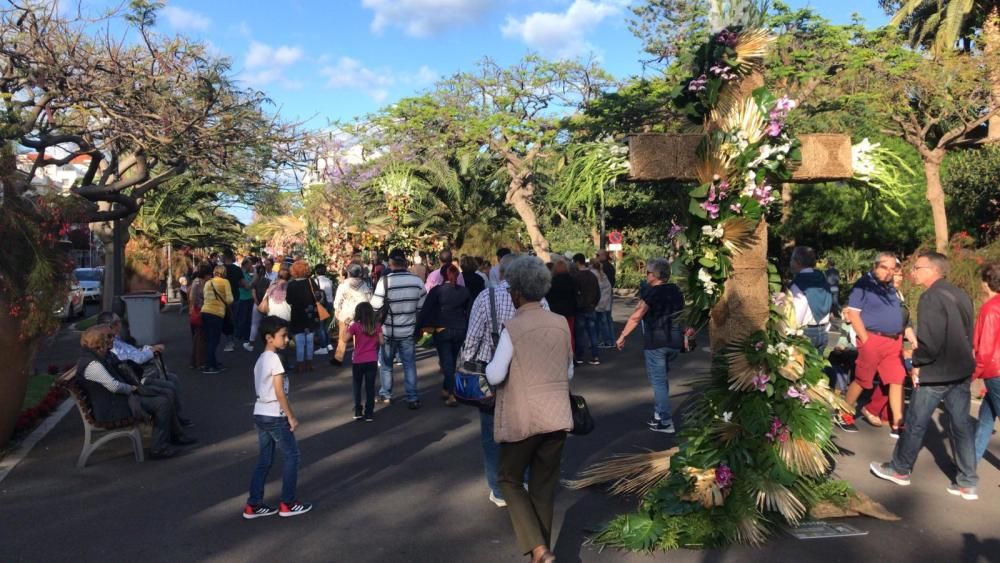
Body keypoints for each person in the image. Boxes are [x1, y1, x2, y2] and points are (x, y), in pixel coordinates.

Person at [485, 255, 573, 563]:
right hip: (558, 416)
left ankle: (539, 550)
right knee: (543, 488)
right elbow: (569, 371)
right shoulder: (561, 323)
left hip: (524, 417)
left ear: (519, 293)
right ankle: (542, 552)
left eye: (511, 291)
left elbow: (495, 374)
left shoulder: (514, 328)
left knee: (509, 478)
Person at [871, 252, 978, 500]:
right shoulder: (961, 294)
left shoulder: (930, 297)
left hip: (936, 372)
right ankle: (967, 482)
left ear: (932, 270)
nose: (913, 272)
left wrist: (917, 362)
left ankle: (900, 469)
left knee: (917, 422)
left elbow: (930, 339)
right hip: (961, 369)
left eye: (917, 268)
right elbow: (967, 332)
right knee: (961, 426)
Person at [77, 326, 193, 459]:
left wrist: (134, 385)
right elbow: (114, 386)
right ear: (97, 344)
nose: (110, 342)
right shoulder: (93, 364)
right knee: (162, 402)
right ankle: (159, 448)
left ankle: (174, 436)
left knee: (165, 395)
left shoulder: (100, 357)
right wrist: (132, 388)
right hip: (112, 408)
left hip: (118, 400)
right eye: (106, 340)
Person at [243, 316, 312, 519]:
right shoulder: (274, 360)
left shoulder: (261, 360)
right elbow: (279, 392)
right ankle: (288, 502)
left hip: (260, 412)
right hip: (275, 414)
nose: (286, 339)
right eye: (282, 335)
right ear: (269, 338)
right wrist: (291, 416)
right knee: (292, 455)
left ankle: (253, 504)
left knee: (265, 460)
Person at [616, 258, 688, 433]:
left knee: (658, 383)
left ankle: (665, 421)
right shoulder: (676, 290)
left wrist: (623, 335)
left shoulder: (652, 293)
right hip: (674, 340)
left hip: (656, 341)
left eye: (647, 272)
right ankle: (659, 415)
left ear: (655, 275)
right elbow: (682, 314)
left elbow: (637, 316)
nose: (645, 275)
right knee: (662, 381)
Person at [837, 252, 906, 434]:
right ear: (875, 266)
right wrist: (866, 341)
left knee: (897, 379)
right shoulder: (864, 285)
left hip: (893, 341)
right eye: (885, 267)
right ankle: (842, 412)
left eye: (893, 268)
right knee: (863, 380)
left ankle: (898, 424)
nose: (889, 272)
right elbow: (853, 313)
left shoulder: (890, 287)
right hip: (872, 339)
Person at [97, 312, 190, 425]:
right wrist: (151, 351)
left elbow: (133, 353)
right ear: (112, 326)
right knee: (169, 387)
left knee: (172, 379)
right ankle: (174, 422)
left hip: (137, 373)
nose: (121, 324)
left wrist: (149, 348)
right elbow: (135, 360)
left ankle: (176, 418)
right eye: (118, 322)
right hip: (138, 377)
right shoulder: (112, 345)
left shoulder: (116, 340)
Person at [863, 261, 919, 428]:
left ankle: (885, 414)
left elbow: (905, 323)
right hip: (880, 341)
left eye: (901, 274)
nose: (899, 278)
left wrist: (914, 340)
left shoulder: (898, 295)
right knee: (895, 377)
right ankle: (882, 413)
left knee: (893, 378)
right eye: (896, 274)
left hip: (896, 341)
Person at [371, 249, 427, 409]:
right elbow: (422, 307)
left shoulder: (385, 282)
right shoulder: (417, 282)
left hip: (388, 331)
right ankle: (412, 397)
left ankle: (386, 394)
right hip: (409, 331)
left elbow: (375, 306)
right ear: (405, 262)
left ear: (390, 263)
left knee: (387, 364)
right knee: (409, 364)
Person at [418, 264, 471, 407]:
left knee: (447, 362)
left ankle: (453, 393)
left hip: (442, 329)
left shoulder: (437, 291)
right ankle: (445, 388)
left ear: (442, 275)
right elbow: (469, 312)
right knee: (453, 360)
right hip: (460, 329)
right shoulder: (465, 292)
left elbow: (426, 310)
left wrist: (419, 328)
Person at [973, 262, 1000, 464]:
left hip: (996, 372)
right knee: (985, 418)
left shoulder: (990, 309)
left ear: (986, 283)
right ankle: (969, 464)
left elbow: (985, 350)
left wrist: (972, 374)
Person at [788, 246, 833, 352]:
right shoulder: (821, 277)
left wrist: (791, 335)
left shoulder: (799, 283)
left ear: (797, 261)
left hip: (805, 333)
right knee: (818, 367)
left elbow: (798, 313)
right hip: (823, 331)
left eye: (792, 259)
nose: (790, 263)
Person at [332, 264, 372, 366]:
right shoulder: (365, 285)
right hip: (361, 315)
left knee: (343, 337)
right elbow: (369, 300)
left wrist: (337, 311)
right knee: (359, 337)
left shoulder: (343, 285)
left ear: (349, 273)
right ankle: (359, 357)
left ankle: (338, 358)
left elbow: (337, 302)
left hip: (346, 315)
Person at [348, 302, 383, 422]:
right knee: (370, 386)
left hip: (358, 360)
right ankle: (369, 412)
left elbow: (344, 338)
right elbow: (382, 342)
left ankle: (358, 410)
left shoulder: (355, 326)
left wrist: (348, 326)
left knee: (357, 386)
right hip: (372, 359)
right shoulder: (376, 326)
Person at [285, 260, 318, 374]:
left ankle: (300, 364)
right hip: (310, 314)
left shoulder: (292, 284)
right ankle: (309, 363)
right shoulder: (311, 282)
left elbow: (288, 300)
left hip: (297, 314)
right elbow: (317, 296)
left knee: (299, 341)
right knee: (309, 340)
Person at [202, 265, 234, 374]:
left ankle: (211, 362)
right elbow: (230, 300)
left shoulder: (208, 282)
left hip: (205, 312)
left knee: (209, 339)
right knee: (214, 340)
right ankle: (210, 366)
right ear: (223, 272)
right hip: (217, 313)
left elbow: (205, 297)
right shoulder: (225, 282)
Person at [572, 253, 601, 365]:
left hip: (580, 309)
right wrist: (594, 304)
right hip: (591, 308)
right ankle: (595, 356)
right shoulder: (592, 276)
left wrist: (577, 304)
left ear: (577, 262)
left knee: (580, 334)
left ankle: (579, 356)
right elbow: (598, 293)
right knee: (592, 333)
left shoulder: (576, 277)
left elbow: (574, 294)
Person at [545, 256, 578, 356]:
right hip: (570, 311)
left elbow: (548, 296)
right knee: (570, 334)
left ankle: (559, 354)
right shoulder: (572, 280)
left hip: (556, 311)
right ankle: (571, 355)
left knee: (558, 334)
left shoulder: (552, 282)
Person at [221, 251, 245, 352]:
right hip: (235, 296)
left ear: (224, 257)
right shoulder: (237, 269)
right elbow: (242, 284)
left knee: (226, 319)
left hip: (223, 298)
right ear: (232, 257)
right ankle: (234, 337)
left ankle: (228, 341)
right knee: (234, 318)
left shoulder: (220, 269)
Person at [188, 264, 211, 370]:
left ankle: (196, 361)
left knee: (199, 337)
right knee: (200, 337)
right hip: (200, 311)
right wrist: (193, 309)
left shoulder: (198, 282)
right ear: (205, 274)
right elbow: (192, 298)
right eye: (209, 274)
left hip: (199, 310)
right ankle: (200, 362)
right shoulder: (198, 283)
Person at [312, 263, 335, 356]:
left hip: (321, 305)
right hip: (329, 303)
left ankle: (323, 347)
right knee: (326, 326)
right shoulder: (329, 281)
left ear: (316, 272)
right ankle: (329, 345)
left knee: (320, 326)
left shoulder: (315, 281)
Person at [592, 258, 614, 348]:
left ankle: (606, 341)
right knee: (606, 321)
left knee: (600, 322)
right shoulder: (602, 274)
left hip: (598, 302)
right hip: (605, 302)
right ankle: (609, 341)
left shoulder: (594, 274)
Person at [248, 264, 271, 350]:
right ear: (265, 272)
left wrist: (256, 301)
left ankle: (251, 343)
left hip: (257, 304)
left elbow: (253, 292)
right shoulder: (268, 281)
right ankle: (268, 342)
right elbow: (268, 293)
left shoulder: (255, 282)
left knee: (254, 324)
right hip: (266, 304)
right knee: (267, 324)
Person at [235, 258, 255, 351]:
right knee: (242, 318)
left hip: (249, 298)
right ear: (245, 265)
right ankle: (240, 335)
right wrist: (255, 278)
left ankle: (246, 335)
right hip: (243, 298)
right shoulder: (241, 274)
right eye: (250, 265)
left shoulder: (247, 273)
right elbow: (248, 286)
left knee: (248, 318)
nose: (251, 267)